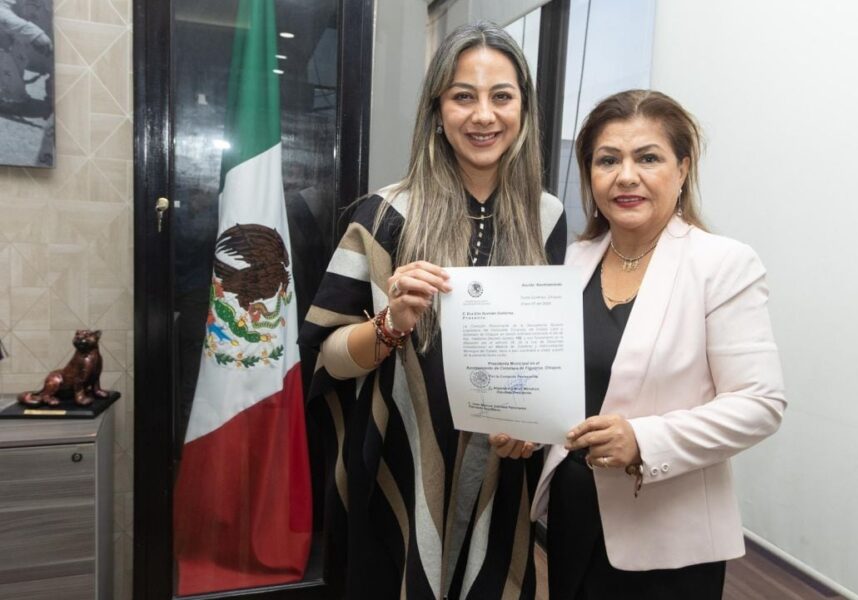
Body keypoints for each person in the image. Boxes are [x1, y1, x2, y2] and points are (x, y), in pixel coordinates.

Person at [299, 22, 566, 599]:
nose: (483, 115)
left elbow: (554, 359)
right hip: (400, 465)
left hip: (502, 473)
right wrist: (390, 323)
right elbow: (328, 358)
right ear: (438, 110)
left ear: (523, 108)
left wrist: (535, 431)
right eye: (463, 96)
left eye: (501, 96)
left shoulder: (548, 219)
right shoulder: (384, 215)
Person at [530, 90, 786, 599]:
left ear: (683, 168)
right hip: (572, 516)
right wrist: (524, 430)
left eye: (648, 158)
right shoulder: (569, 263)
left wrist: (644, 441)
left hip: (669, 536)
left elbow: (761, 404)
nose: (626, 176)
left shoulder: (722, 265)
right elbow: (555, 385)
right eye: (608, 160)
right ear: (589, 174)